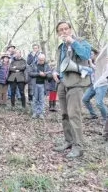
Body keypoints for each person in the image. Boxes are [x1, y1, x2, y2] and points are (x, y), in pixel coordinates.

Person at [52, 20, 91, 158]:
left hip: (76, 83)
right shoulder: (61, 47)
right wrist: (55, 72)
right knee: (64, 114)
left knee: (74, 115)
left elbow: (86, 55)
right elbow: (60, 64)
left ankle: (78, 147)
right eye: (60, 30)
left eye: (66, 29)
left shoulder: (81, 41)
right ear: (58, 33)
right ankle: (68, 141)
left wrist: (73, 42)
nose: (63, 32)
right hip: (62, 83)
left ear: (70, 29)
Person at [82, 48, 107, 122]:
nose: (90, 56)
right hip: (93, 85)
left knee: (99, 103)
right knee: (85, 99)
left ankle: (106, 118)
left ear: (96, 54)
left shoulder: (102, 61)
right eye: (89, 54)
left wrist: (90, 64)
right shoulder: (90, 62)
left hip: (101, 84)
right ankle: (93, 115)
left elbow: (97, 69)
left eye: (91, 54)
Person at [28, 53, 52, 119]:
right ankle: (35, 112)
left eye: (42, 60)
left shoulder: (47, 66)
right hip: (34, 84)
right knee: (35, 99)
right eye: (39, 60)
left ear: (44, 60)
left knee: (41, 100)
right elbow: (30, 73)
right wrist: (38, 74)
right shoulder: (33, 64)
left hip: (43, 85)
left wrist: (45, 75)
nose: (40, 61)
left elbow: (50, 75)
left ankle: (40, 113)